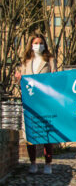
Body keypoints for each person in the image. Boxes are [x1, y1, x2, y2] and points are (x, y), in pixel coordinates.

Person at [15, 33, 57, 174]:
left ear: (44, 44)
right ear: (31, 45)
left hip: (45, 103)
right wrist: (18, 78)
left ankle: (48, 163)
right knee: (30, 134)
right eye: (35, 43)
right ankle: (33, 162)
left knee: (47, 134)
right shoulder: (26, 61)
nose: (38, 45)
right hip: (30, 103)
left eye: (40, 42)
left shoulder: (50, 60)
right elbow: (21, 81)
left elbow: (55, 78)